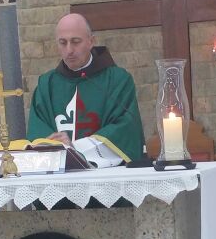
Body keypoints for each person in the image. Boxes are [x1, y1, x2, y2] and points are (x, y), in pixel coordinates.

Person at [27, 12, 144, 166]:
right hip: (59, 174)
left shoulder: (117, 80)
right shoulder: (46, 85)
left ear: (91, 41)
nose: (69, 50)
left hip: (104, 174)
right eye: (63, 43)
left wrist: (75, 149)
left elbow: (125, 129)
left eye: (75, 42)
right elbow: (37, 133)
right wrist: (54, 145)